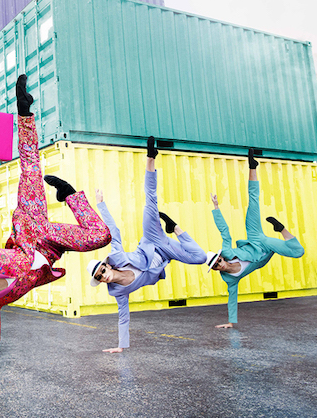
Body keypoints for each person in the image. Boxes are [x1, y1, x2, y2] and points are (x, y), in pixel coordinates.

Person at [0, 74, 111, 390]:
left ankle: (25, 112)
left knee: (33, 169)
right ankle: (70, 195)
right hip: (50, 251)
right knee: (101, 237)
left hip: (32, 228)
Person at [89, 136, 207, 352]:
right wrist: (120, 347)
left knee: (150, 201)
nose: (103, 275)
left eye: (102, 270)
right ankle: (176, 228)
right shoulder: (117, 292)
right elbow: (123, 317)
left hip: (153, 240)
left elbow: (113, 231)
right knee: (199, 258)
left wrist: (101, 204)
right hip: (165, 256)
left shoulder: (117, 257)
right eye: (99, 277)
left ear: (107, 265)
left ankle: (150, 158)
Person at [206, 148, 305, 328]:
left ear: (221, 257)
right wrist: (230, 322)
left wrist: (216, 208)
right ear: (215, 269)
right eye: (216, 266)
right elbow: (232, 298)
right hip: (264, 252)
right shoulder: (230, 279)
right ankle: (281, 229)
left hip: (257, 239)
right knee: (298, 252)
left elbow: (225, 232)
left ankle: (252, 166)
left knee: (253, 201)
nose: (219, 264)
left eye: (218, 260)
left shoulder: (227, 252)